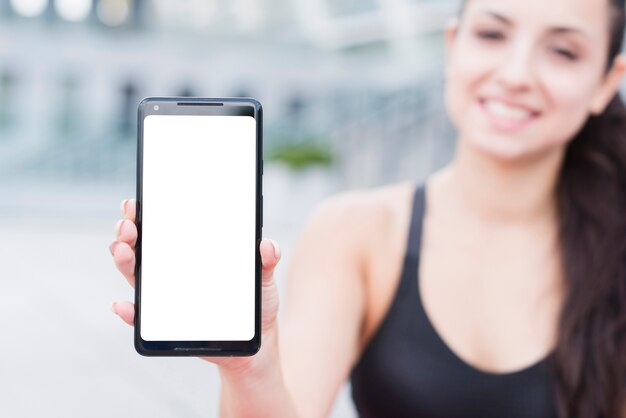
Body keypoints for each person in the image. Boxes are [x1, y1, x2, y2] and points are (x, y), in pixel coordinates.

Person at [109, 0, 626, 416]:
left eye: (562, 51)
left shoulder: (614, 247)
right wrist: (251, 367)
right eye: (492, 35)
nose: (516, 74)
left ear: (607, 80)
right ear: (453, 45)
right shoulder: (356, 233)